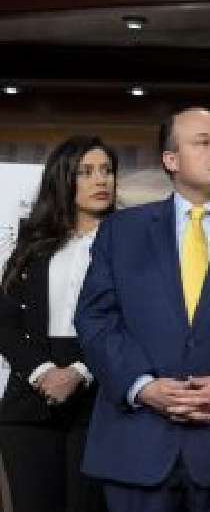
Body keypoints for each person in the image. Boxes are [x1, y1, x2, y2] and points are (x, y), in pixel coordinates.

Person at [74, 108, 210, 512]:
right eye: (203, 142)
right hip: (136, 446)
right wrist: (142, 386)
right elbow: (96, 319)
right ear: (171, 160)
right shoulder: (122, 231)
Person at [0, 136, 117, 512]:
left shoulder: (130, 242)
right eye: (86, 172)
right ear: (62, 179)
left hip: (98, 398)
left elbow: (132, 321)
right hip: (28, 400)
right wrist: (42, 370)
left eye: (107, 171)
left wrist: (80, 371)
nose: (101, 180)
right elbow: (6, 322)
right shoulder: (32, 244)